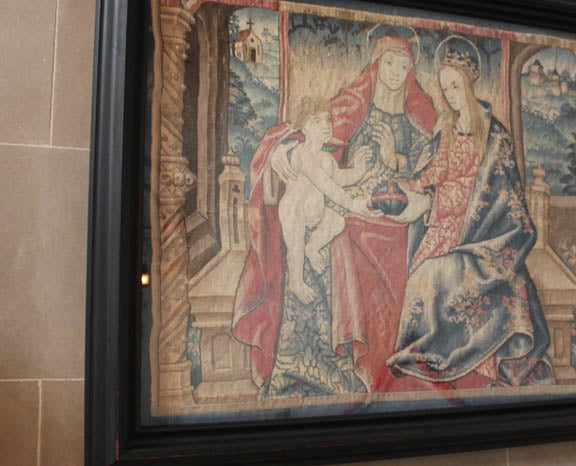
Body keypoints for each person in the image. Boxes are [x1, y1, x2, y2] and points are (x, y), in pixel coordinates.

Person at [235, 31, 441, 394]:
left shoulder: (420, 118)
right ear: (375, 66)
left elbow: (432, 168)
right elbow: (310, 141)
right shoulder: (353, 105)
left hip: (397, 210)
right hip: (350, 208)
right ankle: (340, 364)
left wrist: (396, 158)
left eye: (404, 65)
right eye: (388, 63)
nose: (395, 73)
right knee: (340, 235)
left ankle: (395, 356)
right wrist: (284, 153)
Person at [386, 54, 554, 388]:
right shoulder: (446, 129)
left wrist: (464, 204)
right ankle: (425, 351)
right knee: (422, 275)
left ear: (468, 83)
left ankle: (479, 364)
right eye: (444, 87)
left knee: (465, 277)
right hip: (443, 227)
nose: (449, 93)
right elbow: (436, 171)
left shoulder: (494, 135)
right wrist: (408, 183)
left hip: (480, 233)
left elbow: (505, 192)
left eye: (455, 85)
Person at [276, 96, 375, 303]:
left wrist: (359, 170)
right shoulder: (301, 153)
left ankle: (313, 247)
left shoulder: (326, 158)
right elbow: (326, 186)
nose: (325, 126)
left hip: (316, 212)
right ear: (303, 126)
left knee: (337, 222)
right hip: (294, 211)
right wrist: (354, 204)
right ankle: (296, 282)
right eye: (316, 121)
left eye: (327, 120)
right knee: (295, 245)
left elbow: (339, 179)